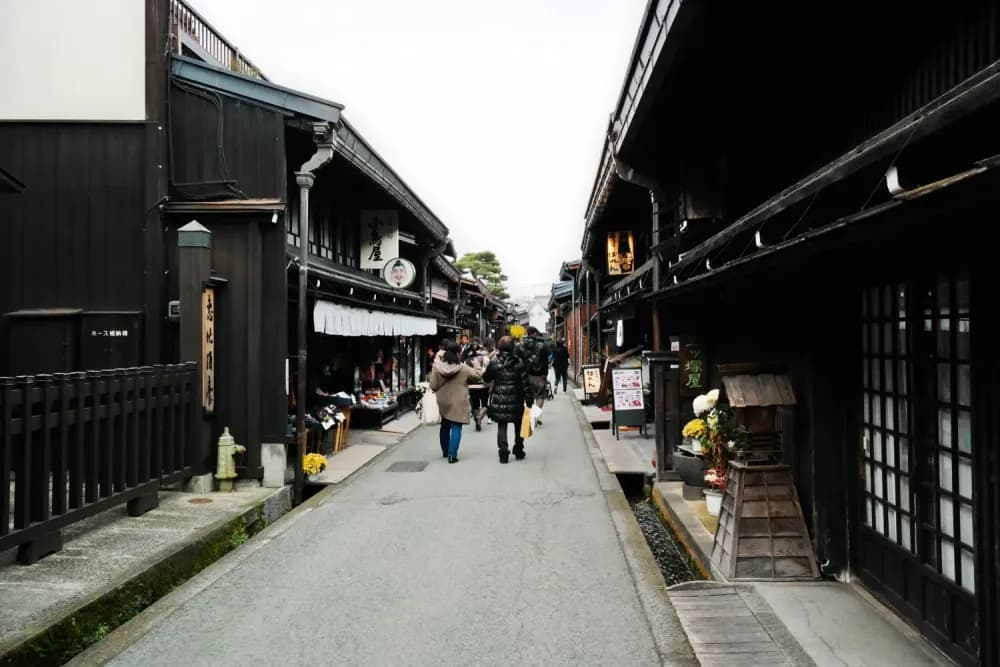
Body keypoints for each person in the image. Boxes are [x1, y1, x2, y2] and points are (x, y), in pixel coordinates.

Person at [429, 340, 483, 463]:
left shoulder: (437, 367)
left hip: (443, 400)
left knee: (445, 426)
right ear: (458, 353)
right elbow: (478, 376)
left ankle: (445, 451)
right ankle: (452, 455)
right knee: (456, 427)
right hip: (458, 400)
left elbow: (433, 385)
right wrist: (477, 365)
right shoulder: (463, 368)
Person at [484, 336, 533, 463]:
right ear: (513, 347)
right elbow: (525, 383)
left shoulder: (494, 362)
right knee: (519, 424)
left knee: (502, 425)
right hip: (516, 398)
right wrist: (529, 400)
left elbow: (486, 378)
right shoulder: (519, 362)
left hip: (499, 398)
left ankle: (503, 452)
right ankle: (518, 449)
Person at [519, 326, 550, 425]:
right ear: (535, 333)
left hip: (527, 375)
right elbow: (546, 360)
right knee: (540, 396)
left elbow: (518, 360)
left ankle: (530, 416)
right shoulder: (543, 345)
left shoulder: (522, 345)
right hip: (541, 375)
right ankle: (535, 417)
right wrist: (545, 373)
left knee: (529, 397)